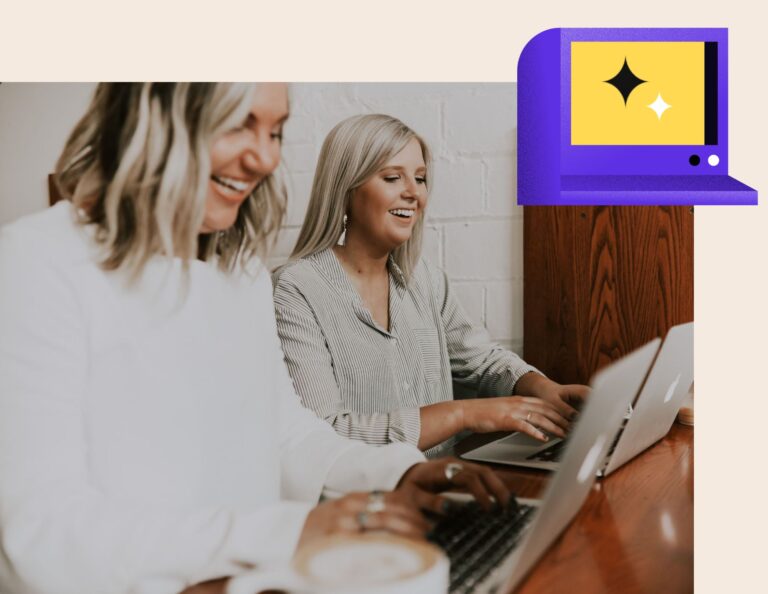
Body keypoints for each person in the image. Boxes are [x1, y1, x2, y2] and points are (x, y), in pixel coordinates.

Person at [0, 84, 510, 594]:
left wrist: (397, 474)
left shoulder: (239, 273)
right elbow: (42, 532)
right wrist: (286, 534)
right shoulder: (36, 262)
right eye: (238, 123)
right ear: (153, 113)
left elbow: (286, 434)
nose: (265, 157)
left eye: (276, 130)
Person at [273, 114, 590, 454]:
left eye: (420, 179)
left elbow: (480, 361)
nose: (413, 193)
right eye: (393, 177)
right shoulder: (295, 291)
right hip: (365, 500)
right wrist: (461, 414)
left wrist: (541, 387)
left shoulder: (425, 280)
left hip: (443, 487)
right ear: (346, 189)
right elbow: (325, 435)